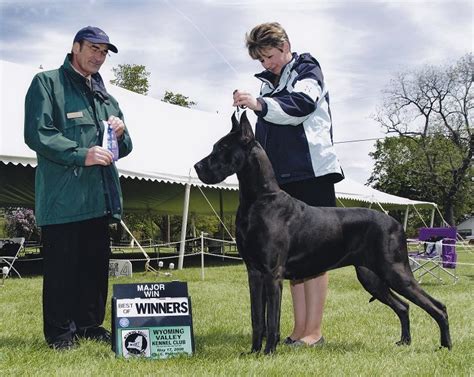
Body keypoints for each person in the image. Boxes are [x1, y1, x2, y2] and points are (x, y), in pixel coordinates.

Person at [233, 22, 344, 347]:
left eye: (269, 56)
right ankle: (298, 330)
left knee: (317, 252)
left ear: (285, 45)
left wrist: (260, 104)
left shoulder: (308, 69)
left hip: (313, 173)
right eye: (262, 60)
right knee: (291, 257)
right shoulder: (268, 83)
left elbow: (301, 107)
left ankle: (314, 331)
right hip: (282, 180)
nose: (267, 64)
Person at [24, 26, 133, 350]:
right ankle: (60, 333)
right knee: (62, 270)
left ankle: (88, 324)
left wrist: (121, 132)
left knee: (94, 267)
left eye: (103, 52)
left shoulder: (106, 98)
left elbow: (123, 148)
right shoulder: (47, 84)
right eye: (93, 48)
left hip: (99, 198)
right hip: (63, 199)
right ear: (75, 47)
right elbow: (39, 133)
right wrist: (80, 154)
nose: (98, 56)